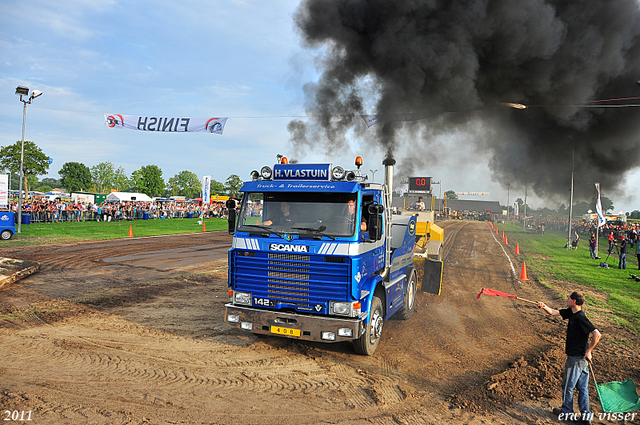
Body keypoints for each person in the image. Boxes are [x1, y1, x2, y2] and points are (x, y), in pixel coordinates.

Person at [538, 292, 601, 424]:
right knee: (583, 388)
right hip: (581, 360)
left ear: (574, 301)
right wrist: (544, 306)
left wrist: (589, 351)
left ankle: (567, 412)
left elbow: (597, 334)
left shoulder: (580, 317)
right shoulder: (571, 312)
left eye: (569, 298)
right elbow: (554, 312)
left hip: (576, 359)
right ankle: (585, 417)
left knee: (568, 386)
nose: (566, 300)